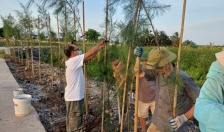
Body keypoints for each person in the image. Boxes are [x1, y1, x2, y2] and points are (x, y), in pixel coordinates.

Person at [135, 47, 200, 132]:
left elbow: (203, 101)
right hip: (156, 123)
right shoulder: (158, 73)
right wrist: (137, 58)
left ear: (165, 64)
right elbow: (138, 73)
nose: (154, 69)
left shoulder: (183, 79)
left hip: (173, 128)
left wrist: (184, 118)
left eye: (156, 67)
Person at [64, 39, 105, 132]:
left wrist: (99, 48)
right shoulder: (73, 61)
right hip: (74, 99)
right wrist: (99, 44)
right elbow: (90, 52)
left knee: (74, 123)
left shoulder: (74, 62)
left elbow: (89, 57)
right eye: (77, 49)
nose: (80, 50)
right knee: (76, 127)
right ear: (73, 52)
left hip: (74, 98)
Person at [194, 50, 224, 131]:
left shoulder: (184, 78)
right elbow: (202, 103)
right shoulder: (219, 72)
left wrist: (184, 117)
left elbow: (196, 96)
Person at [133, 52, 156, 132]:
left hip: (155, 97)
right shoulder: (138, 66)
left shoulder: (153, 67)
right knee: (142, 116)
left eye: (147, 60)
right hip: (142, 97)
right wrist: (137, 59)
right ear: (142, 60)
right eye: (145, 60)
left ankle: (154, 129)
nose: (146, 62)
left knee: (157, 116)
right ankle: (143, 129)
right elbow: (136, 73)